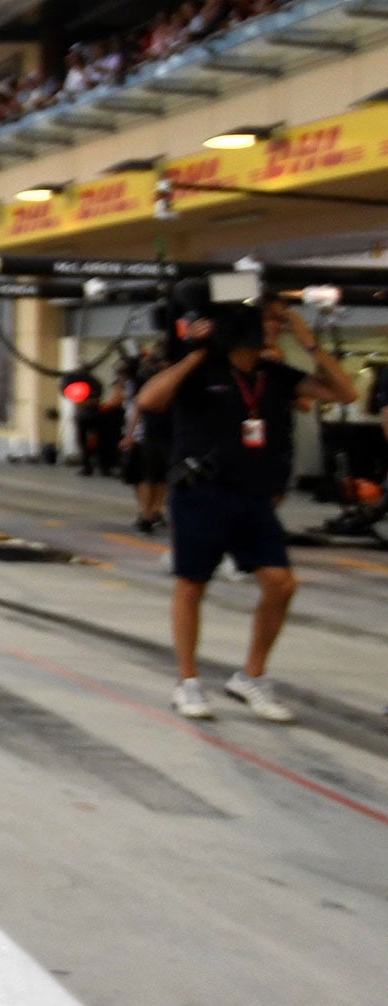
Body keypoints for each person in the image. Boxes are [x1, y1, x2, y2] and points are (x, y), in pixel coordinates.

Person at [136, 302, 355, 722]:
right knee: (191, 585)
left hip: (254, 497)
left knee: (281, 583)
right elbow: (149, 400)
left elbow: (345, 393)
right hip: (201, 494)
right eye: (270, 323)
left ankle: (250, 676)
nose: (277, 329)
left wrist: (307, 340)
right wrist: (198, 351)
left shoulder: (275, 376)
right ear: (243, 334)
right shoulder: (200, 372)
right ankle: (188, 682)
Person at [121, 344, 171, 534]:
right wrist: (130, 434)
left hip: (166, 432)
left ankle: (154, 511)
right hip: (147, 434)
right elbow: (138, 408)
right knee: (144, 475)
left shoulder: (174, 380)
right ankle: (147, 512)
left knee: (161, 476)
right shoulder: (146, 380)